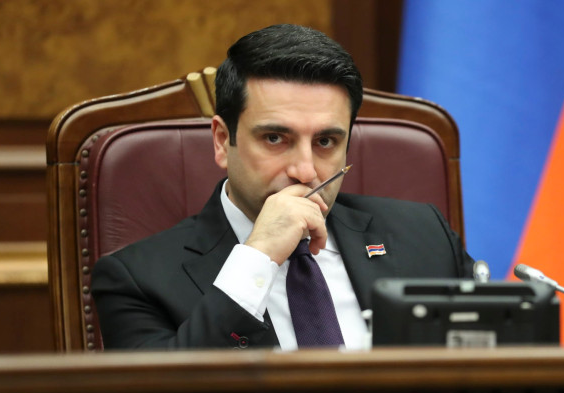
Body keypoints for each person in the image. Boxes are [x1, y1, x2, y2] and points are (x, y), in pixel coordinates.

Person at [92, 24, 474, 350]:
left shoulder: (424, 236)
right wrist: (259, 256)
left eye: (326, 141)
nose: (305, 171)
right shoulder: (136, 280)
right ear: (223, 141)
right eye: (275, 138)